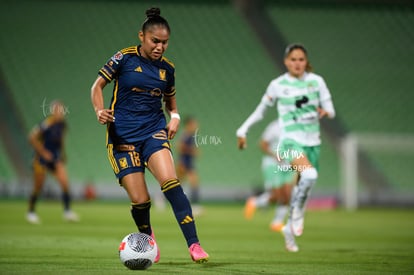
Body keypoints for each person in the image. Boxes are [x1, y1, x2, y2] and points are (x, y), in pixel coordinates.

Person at [90, 7, 209, 263]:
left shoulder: (168, 69)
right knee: (141, 200)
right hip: (122, 138)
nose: (160, 47)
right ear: (142, 36)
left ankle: (194, 245)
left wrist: (175, 118)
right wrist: (100, 110)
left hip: (153, 131)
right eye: (155, 41)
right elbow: (97, 85)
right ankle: (148, 239)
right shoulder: (124, 58)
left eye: (165, 42)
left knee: (170, 181)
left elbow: (172, 104)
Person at [236, 43, 335, 252]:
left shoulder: (317, 82)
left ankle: (288, 228)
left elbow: (330, 109)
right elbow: (261, 111)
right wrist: (242, 130)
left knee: (300, 187)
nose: (297, 63)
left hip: (312, 142)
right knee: (309, 176)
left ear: (306, 62)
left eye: (301, 60)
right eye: (293, 59)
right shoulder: (278, 85)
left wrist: (325, 112)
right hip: (290, 141)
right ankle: (296, 216)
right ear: (286, 61)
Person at [26, 100, 79, 224]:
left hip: (55, 158)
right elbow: (32, 138)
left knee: (65, 183)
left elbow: (61, 141)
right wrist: (44, 153)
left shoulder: (62, 125)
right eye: (57, 110)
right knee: (38, 186)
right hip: (41, 158)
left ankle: (67, 212)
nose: (59, 113)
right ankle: (31, 212)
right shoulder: (46, 124)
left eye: (61, 110)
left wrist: (63, 154)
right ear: (52, 111)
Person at [244, 119, 296, 232]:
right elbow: (262, 144)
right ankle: (254, 202)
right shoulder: (275, 126)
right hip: (273, 164)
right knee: (277, 195)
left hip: (289, 164)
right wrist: (275, 155)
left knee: (287, 194)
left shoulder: (298, 128)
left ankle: (277, 223)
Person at [176, 116, 203, 215]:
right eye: (194, 124)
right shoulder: (186, 134)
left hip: (189, 163)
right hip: (184, 163)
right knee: (179, 184)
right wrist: (192, 151)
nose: (196, 126)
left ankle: (195, 206)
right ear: (189, 125)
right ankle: (195, 207)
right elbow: (179, 147)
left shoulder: (190, 135)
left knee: (180, 184)